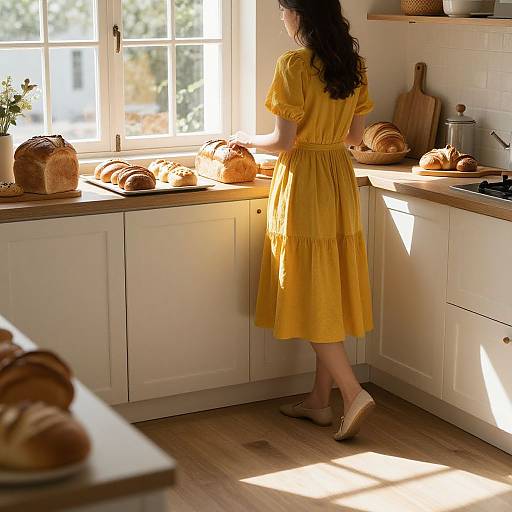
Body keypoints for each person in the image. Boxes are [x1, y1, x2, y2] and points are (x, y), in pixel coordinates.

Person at [228, 0, 375, 441]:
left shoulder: (293, 64)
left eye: (284, 10)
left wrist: (244, 139)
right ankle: (318, 402)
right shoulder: (354, 63)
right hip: (338, 178)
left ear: (300, 15)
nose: (282, 18)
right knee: (326, 283)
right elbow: (354, 137)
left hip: (305, 180)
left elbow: (283, 142)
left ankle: (352, 393)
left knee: (310, 289)